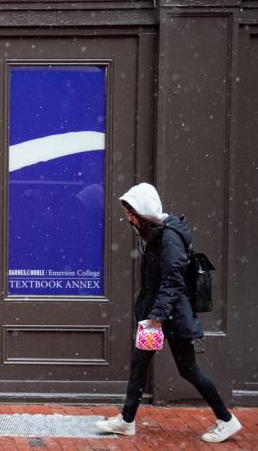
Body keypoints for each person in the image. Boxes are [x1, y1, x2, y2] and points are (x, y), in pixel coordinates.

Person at [95, 182, 241, 443]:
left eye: (131, 213)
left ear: (144, 212)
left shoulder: (169, 238)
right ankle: (127, 421)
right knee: (139, 366)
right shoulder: (157, 234)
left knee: (189, 370)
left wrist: (156, 317)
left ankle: (227, 419)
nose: (128, 218)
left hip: (170, 317)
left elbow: (172, 282)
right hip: (158, 314)